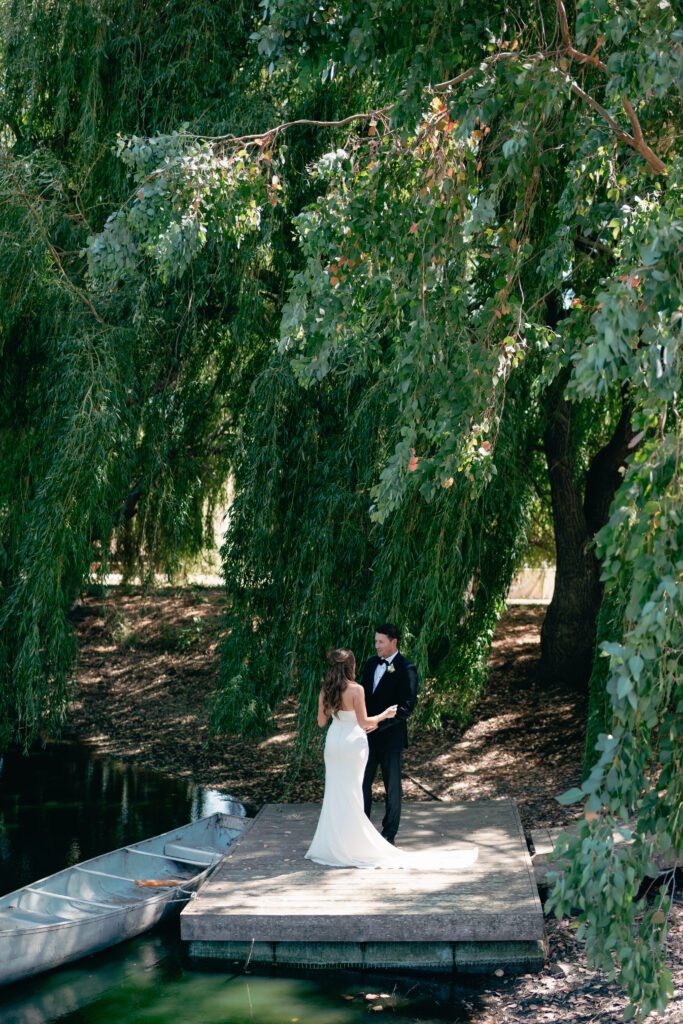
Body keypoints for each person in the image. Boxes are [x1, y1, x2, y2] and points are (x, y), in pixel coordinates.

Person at [304, 648, 400, 867]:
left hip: (334, 742)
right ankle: (353, 844)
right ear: (351, 666)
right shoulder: (357, 690)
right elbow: (365, 723)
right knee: (353, 792)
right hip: (353, 743)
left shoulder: (325, 689)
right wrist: (385, 715)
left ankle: (332, 844)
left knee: (334, 792)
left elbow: (320, 722)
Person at [361, 623, 418, 844]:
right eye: (375, 641)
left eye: (380, 642)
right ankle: (362, 828)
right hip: (366, 735)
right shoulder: (370, 664)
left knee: (392, 786)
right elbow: (362, 696)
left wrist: (380, 724)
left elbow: (407, 707)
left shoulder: (406, 668)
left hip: (391, 737)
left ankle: (389, 833)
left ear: (393, 642)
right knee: (363, 783)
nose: (376, 646)